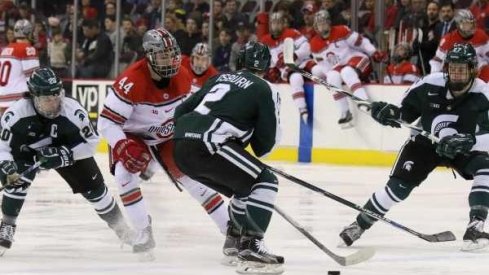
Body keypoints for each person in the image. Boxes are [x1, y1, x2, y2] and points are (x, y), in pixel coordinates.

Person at [339, 43, 489, 252]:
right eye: (452, 68)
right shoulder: (429, 84)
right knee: (397, 189)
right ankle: (359, 224)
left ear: (473, 69)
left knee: (486, 167)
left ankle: (475, 225)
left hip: (462, 146)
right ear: (446, 68)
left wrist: (469, 141)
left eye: (462, 69)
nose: (456, 74)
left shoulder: (483, 93)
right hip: (424, 145)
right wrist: (389, 114)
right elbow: (404, 114)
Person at [98, 27, 229, 260]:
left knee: (194, 178)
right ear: (148, 55)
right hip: (134, 136)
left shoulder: (184, 76)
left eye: (172, 54)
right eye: (162, 55)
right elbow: (106, 123)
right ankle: (142, 231)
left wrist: (201, 133)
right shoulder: (130, 82)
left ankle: (232, 231)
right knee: (124, 175)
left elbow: (192, 113)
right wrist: (122, 146)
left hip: (166, 135)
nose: (169, 60)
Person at [173, 41, 284, 274]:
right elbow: (264, 147)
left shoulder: (218, 79)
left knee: (243, 188)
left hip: (181, 149)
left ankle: (233, 243)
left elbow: (180, 112)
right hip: (210, 144)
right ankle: (251, 245)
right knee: (265, 181)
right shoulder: (264, 88)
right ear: (265, 66)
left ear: (240, 61)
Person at [0, 67, 133, 256]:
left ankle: (123, 229)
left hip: (68, 150)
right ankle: (7, 224)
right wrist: (6, 165)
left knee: (96, 191)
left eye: (56, 96)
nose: (54, 103)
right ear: (34, 96)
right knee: (15, 179)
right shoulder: (16, 115)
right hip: (26, 152)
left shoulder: (73, 111)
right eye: (47, 99)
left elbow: (92, 143)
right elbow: (2, 147)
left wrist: (64, 155)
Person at [309, 10, 387, 128]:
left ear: (329, 22)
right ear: (315, 26)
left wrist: (373, 52)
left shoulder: (342, 30)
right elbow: (324, 67)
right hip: (340, 68)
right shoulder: (314, 44)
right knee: (332, 77)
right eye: (319, 24)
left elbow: (362, 42)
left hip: (358, 60)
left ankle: (363, 100)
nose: (321, 26)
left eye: (324, 22)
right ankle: (345, 112)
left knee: (347, 71)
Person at [260, 12, 312, 124]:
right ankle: (302, 108)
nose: (276, 26)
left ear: (283, 24)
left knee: (317, 71)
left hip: (302, 63)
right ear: (270, 25)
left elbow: (307, 47)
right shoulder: (265, 41)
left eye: (279, 23)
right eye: (274, 23)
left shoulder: (292, 33)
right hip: (287, 70)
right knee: (295, 78)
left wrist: (296, 54)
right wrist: (270, 70)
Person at [430, 9, 489, 82]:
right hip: (456, 74)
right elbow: (437, 61)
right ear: (458, 25)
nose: (471, 26)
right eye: (467, 23)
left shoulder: (481, 36)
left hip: (477, 74)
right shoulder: (448, 39)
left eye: (472, 23)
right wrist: (435, 78)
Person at [0, 19, 40, 117]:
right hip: (18, 100)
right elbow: (33, 78)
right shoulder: (27, 49)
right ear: (28, 32)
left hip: (2, 98)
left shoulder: (6, 49)